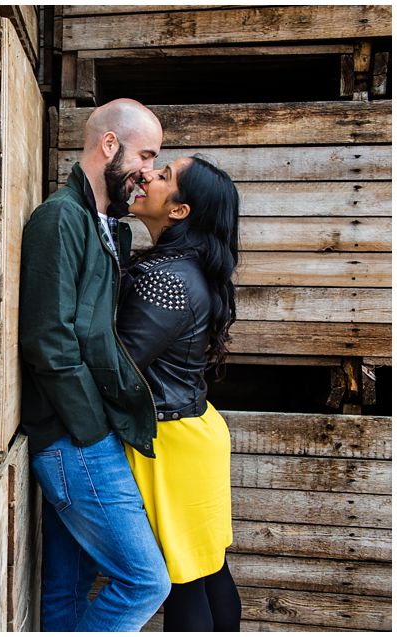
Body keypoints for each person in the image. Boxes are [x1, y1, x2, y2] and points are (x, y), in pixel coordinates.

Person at [19, 98, 170, 631]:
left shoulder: (106, 226)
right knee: (146, 582)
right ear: (110, 145)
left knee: (68, 588)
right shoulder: (60, 219)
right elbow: (48, 340)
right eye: (145, 155)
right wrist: (94, 430)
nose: (149, 172)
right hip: (74, 438)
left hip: (82, 434)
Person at [119, 155, 242, 631]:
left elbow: (121, 364)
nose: (148, 174)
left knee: (185, 580)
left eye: (164, 175)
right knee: (208, 571)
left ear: (179, 211)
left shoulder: (167, 277)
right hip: (195, 432)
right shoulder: (185, 266)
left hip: (171, 442)